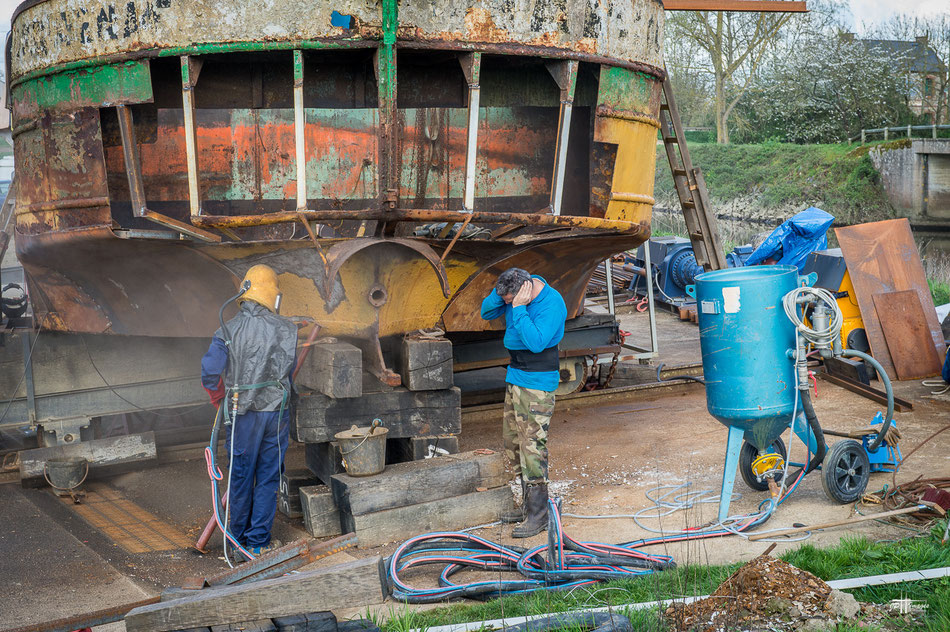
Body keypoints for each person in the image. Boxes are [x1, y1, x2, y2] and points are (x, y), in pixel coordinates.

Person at [201, 264, 298, 558]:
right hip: (276, 412)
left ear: (244, 291)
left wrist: (219, 396)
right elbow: (289, 373)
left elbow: (209, 372)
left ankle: (237, 542)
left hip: (241, 413)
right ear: (272, 294)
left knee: (240, 476)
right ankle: (258, 542)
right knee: (269, 475)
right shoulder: (287, 329)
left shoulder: (227, 330)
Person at [481, 267, 567, 538]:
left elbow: (536, 343)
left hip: (537, 384)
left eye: (510, 299)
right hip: (516, 378)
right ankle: (527, 507)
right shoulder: (515, 295)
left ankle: (539, 515)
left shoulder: (551, 303)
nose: (506, 304)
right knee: (514, 443)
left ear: (525, 292)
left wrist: (517, 309)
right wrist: (503, 297)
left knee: (532, 448)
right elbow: (485, 312)